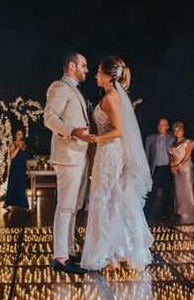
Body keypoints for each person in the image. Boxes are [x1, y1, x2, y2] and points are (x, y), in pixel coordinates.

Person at [80, 56, 153, 272]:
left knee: (103, 198)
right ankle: (117, 252)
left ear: (107, 76)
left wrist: (95, 139)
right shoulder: (115, 96)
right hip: (110, 151)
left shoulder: (110, 98)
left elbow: (118, 130)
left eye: (98, 72)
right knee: (113, 199)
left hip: (109, 152)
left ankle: (105, 252)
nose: (95, 75)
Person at [44, 52, 92, 275]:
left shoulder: (76, 91)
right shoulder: (59, 87)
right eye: (83, 65)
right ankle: (60, 257)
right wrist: (72, 132)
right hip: (67, 155)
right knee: (65, 207)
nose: (87, 70)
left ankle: (70, 251)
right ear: (72, 66)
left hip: (79, 155)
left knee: (73, 207)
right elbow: (49, 118)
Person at [169, 122, 194, 223]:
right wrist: (172, 167)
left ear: (183, 131)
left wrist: (178, 166)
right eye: (175, 131)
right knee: (178, 193)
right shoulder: (172, 145)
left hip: (185, 170)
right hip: (176, 172)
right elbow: (171, 157)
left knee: (187, 192)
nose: (177, 132)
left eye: (179, 130)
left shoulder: (188, 142)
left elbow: (188, 156)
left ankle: (193, 217)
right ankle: (180, 215)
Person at [143, 118, 175, 222]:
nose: (161, 127)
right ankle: (145, 215)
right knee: (151, 193)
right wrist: (147, 172)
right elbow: (147, 157)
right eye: (160, 125)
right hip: (155, 170)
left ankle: (163, 215)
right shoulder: (150, 139)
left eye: (163, 125)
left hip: (167, 170)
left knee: (167, 194)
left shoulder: (172, 138)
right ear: (158, 126)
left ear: (167, 127)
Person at [4, 129, 31, 210]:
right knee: (13, 186)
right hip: (15, 169)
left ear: (22, 135)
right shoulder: (13, 145)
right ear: (15, 135)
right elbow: (11, 157)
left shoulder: (24, 145)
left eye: (21, 134)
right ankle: (7, 204)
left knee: (22, 187)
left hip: (22, 169)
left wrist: (28, 169)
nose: (20, 136)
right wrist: (18, 148)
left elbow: (25, 158)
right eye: (18, 134)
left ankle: (24, 206)